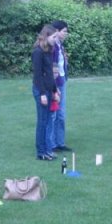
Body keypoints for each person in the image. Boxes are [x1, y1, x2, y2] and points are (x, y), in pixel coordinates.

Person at [32, 24, 60, 161]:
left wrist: (55, 91)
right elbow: (37, 75)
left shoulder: (49, 50)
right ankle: (41, 152)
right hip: (40, 90)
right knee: (42, 121)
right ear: (47, 35)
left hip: (49, 89)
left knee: (48, 121)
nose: (55, 39)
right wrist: (42, 93)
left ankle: (47, 150)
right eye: (54, 37)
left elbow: (49, 73)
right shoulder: (37, 52)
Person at [49, 20, 72, 153]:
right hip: (55, 84)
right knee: (54, 114)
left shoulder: (60, 45)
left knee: (61, 115)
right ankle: (51, 144)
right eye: (64, 31)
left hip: (62, 82)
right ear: (56, 31)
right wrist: (54, 88)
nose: (66, 34)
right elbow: (52, 67)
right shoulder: (52, 47)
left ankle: (60, 143)